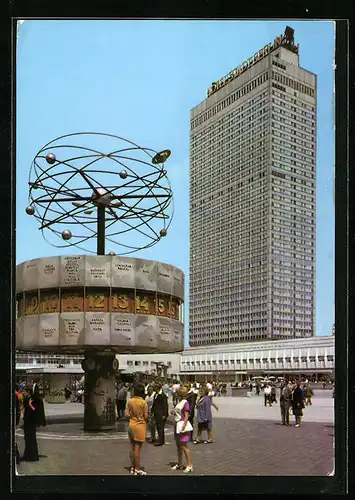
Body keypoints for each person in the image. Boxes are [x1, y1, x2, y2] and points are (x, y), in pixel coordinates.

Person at [126, 382, 149, 475]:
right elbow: (146, 416)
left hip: (131, 424)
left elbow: (126, 414)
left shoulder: (130, 401)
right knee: (137, 448)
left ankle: (132, 467)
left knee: (131, 446)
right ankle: (138, 468)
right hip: (140, 426)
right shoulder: (143, 402)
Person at [170, 386, 193, 473]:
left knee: (184, 446)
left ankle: (190, 464)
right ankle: (180, 463)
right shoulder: (180, 402)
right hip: (177, 425)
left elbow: (186, 416)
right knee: (179, 446)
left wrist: (184, 425)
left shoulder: (185, 403)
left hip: (181, 425)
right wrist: (174, 412)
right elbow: (179, 413)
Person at [22, 387, 40, 461]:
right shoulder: (27, 399)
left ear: (28, 392)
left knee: (31, 439)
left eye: (25, 392)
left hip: (31, 424)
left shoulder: (33, 400)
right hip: (27, 423)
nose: (24, 393)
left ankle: (32, 457)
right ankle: (27, 455)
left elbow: (35, 411)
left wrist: (30, 405)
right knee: (27, 440)